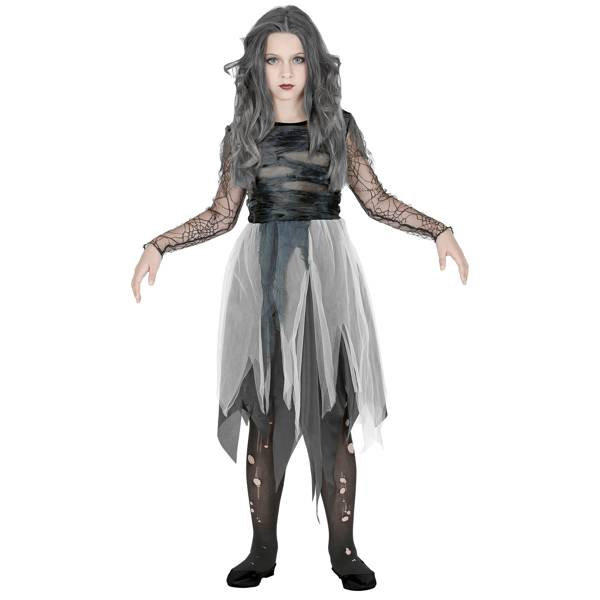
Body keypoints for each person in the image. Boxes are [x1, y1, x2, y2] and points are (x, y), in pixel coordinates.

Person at [131, 6, 469, 591]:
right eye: (273, 60)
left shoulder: (337, 127)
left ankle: (345, 548)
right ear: (257, 67)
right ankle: (262, 549)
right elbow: (221, 215)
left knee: (333, 410)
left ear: (314, 64)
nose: (286, 72)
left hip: (326, 280)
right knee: (264, 411)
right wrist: (159, 244)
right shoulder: (243, 134)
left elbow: (375, 200)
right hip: (264, 278)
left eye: (297, 59)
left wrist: (438, 230)